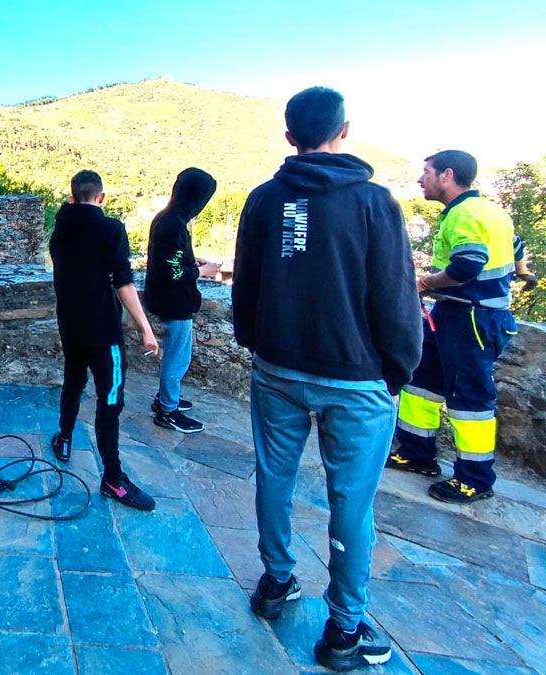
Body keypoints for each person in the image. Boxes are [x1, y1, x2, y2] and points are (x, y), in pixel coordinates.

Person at [232, 87, 422, 671]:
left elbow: (246, 288)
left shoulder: (266, 201)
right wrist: (398, 368)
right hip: (355, 378)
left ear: (289, 136)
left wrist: (258, 343)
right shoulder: (374, 203)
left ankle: (276, 581)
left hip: (279, 370)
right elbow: (396, 297)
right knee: (352, 502)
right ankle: (343, 630)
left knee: (274, 477)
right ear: (345, 130)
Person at [386, 150, 518, 503]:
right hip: (455, 314)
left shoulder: (464, 214)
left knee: (470, 399)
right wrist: (523, 272)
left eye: (425, 172)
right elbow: (514, 246)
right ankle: (416, 452)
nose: (420, 178)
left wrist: (424, 284)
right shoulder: (489, 210)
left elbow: (467, 266)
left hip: (471, 317)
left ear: (447, 175)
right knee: (422, 382)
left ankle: (474, 478)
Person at [49, 169, 160, 511]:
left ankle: (64, 438)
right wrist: (146, 328)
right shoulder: (111, 229)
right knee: (109, 402)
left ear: (71, 196)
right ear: (101, 197)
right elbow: (122, 282)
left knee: (72, 382)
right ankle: (113, 478)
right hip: (103, 334)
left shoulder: (60, 229)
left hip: (71, 326)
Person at [144, 167, 221, 434]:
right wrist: (203, 271)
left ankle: (166, 398)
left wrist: (192, 260)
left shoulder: (165, 218)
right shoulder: (175, 224)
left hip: (163, 298)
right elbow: (174, 272)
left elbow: (170, 259)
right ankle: (167, 410)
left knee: (175, 357)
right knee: (176, 359)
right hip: (175, 303)